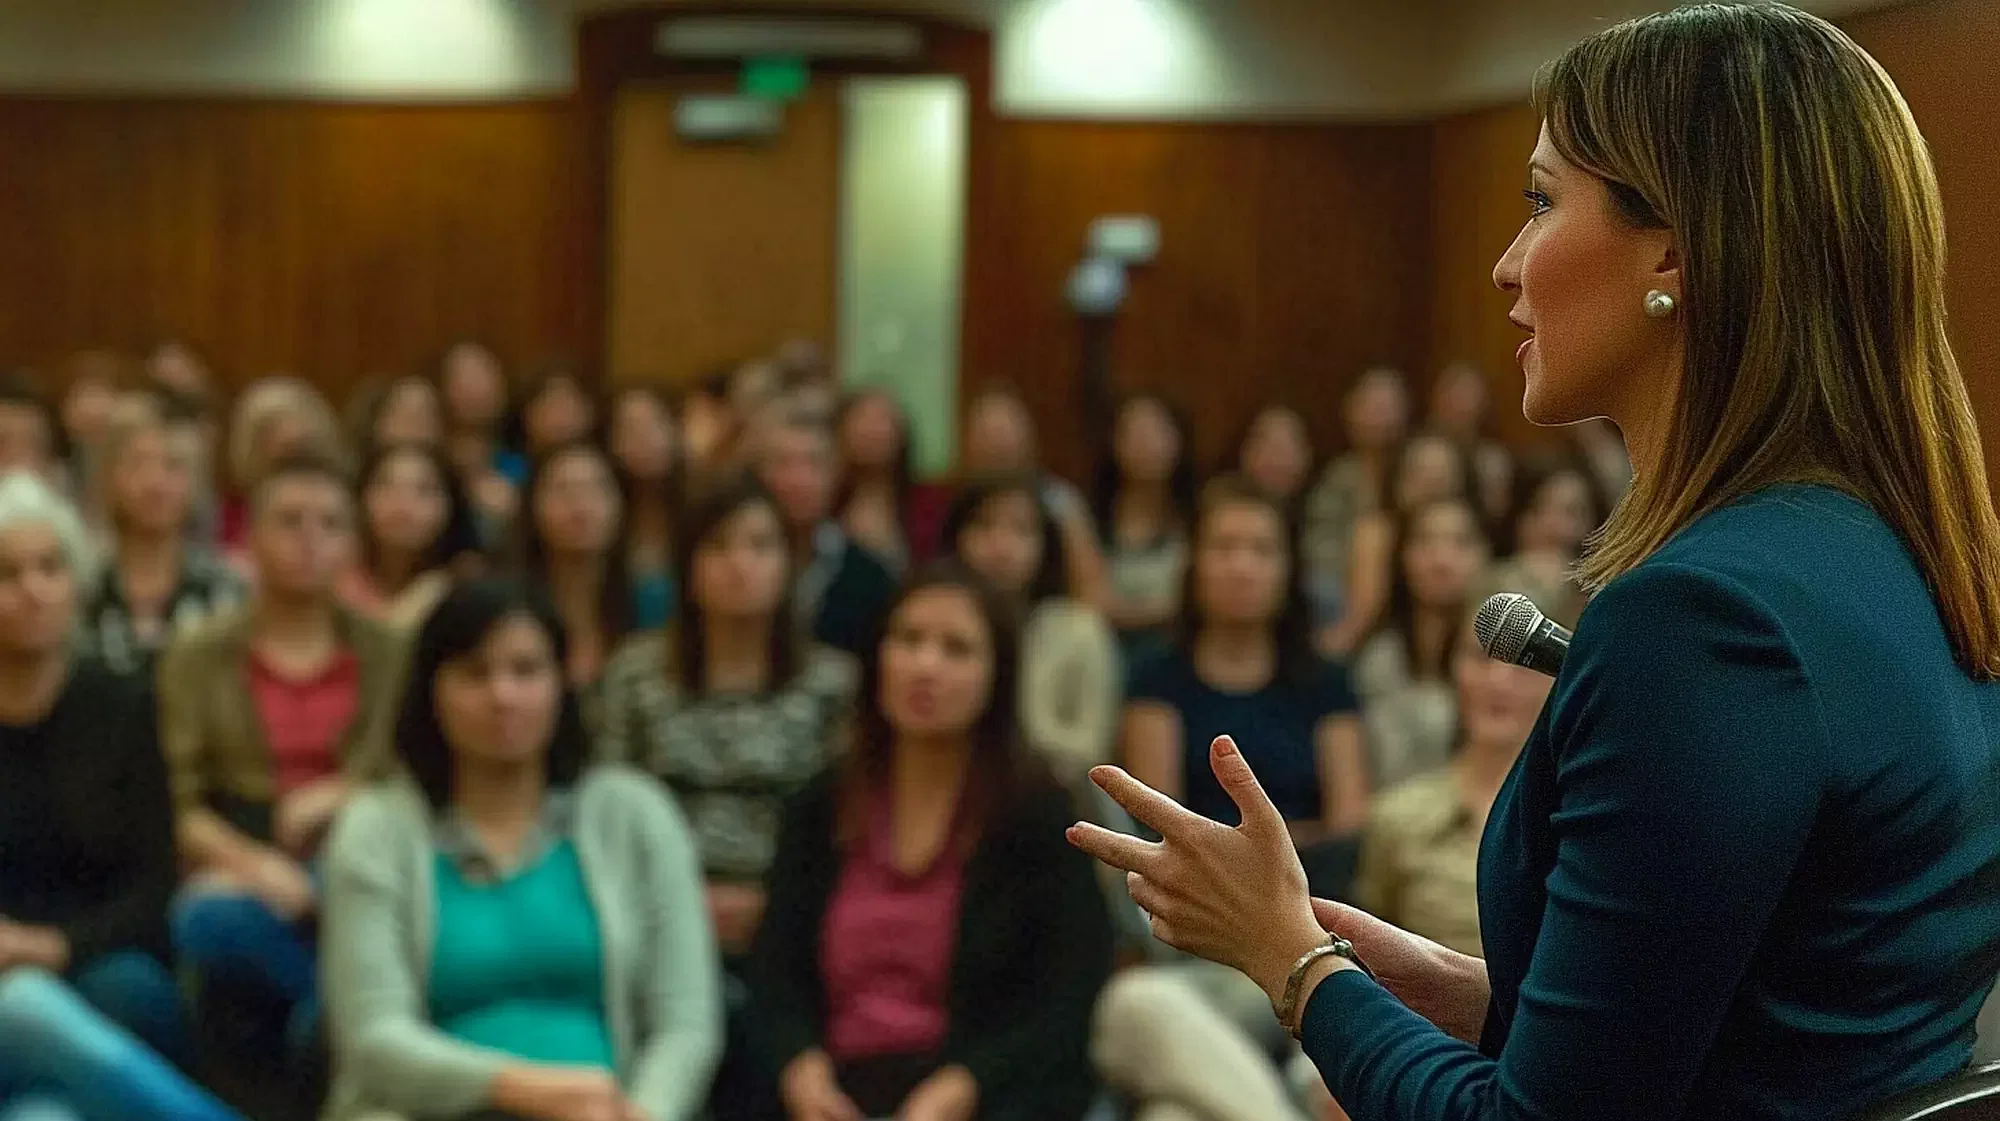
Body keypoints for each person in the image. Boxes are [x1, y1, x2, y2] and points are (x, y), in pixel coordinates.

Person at [1068, 7, 2000, 1120]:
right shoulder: (1894, 557)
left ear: (1672, 247)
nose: (1507, 267)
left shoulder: (1703, 621)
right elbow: (1773, 1030)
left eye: (1542, 201)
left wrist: (1290, 960)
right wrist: (1468, 996)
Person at [321, 579, 722, 1121]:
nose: (503, 696)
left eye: (526, 670)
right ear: (431, 691)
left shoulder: (635, 815)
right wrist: (524, 1089)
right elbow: (372, 1037)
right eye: (474, 673)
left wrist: (644, 1113)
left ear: (562, 683)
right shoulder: (376, 830)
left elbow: (686, 1023)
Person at [750, 564, 1114, 1121]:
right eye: (909, 640)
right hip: (832, 1091)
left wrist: (960, 1090)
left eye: (957, 649)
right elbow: (774, 973)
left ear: (999, 675)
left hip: (985, 1095)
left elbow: (1066, 995)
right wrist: (800, 1068)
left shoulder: (1038, 813)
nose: (926, 666)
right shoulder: (818, 805)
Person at [595, 476, 857, 1121]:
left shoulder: (832, 683)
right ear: (687, 565)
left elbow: (847, 830)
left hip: (792, 920)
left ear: (787, 565)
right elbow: (605, 812)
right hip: (655, 911)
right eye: (718, 546)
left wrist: (774, 906)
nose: (740, 564)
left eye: (760, 546)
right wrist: (684, 902)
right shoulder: (635, 674)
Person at [0, 473, 252, 1121]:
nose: (33, 591)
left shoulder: (123, 704)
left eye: (50, 568)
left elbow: (155, 884)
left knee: (50, 1101)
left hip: (99, 962)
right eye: (8, 574)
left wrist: (51, 946)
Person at [160, 454, 404, 1058]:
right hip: (247, 860)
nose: (311, 541)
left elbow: (416, 774)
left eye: (331, 525)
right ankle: (344, 1024)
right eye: (290, 522)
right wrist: (254, 867)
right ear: (249, 538)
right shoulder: (196, 653)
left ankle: (328, 1026)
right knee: (206, 920)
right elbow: (177, 801)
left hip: (365, 859)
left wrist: (342, 793)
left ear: (354, 542)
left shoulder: (391, 651)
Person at [1353, 578, 1559, 960]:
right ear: (1451, 668)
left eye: (1523, 666)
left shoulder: (1583, 818)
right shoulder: (1397, 815)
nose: (1499, 681)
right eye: (1481, 657)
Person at [941, 472, 1119, 777]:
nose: (1000, 545)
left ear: (1045, 546)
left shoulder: (1078, 629)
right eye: (984, 525)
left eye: (1021, 530)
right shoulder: (934, 623)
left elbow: (1091, 750)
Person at [80, 396, 244, 675]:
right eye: (137, 463)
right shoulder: (82, 589)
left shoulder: (227, 589)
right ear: (108, 477)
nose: (155, 482)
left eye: (174, 466)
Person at [1349, 497, 1491, 789]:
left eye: (1460, 542)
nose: (1441, 559)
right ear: (1402, 556)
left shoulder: (1499, 664)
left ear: (1485, 554)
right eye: (1425, 542)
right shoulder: (1375, 656)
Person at [755, 409, 897, 659]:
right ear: (758, 473)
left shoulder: (871, 576)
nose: (798, 479)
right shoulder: (732, 563)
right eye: (783, 462)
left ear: (836, 474)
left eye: (814, 463)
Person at [516, 441, 637, 714]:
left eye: (597, 488)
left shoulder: (652, 604)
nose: (581, 504)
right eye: (563, 490)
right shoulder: (509, 608)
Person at [1300, 369, 1409, 630]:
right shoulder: (1333, 476)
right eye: (1371, 405)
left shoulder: (1411, 472)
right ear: (1349, 411)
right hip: (1326, 594)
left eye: (1387, 406)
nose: (1379, 416)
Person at [1091, 393, 1197, 660]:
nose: (1146, 444)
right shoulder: (1090, 518)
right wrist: (1165, 609)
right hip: (1105, 649)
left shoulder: (1198, 516)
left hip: (1181, 649)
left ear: (1178, 441)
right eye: (1134, 433)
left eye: (1157, 432)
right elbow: (1094, 605)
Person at [338, 442, 480, 631]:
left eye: (424, 490)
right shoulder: (332, 579)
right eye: (386, 485)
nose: (403, 504)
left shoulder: (468, 586)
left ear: (451, 506)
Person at [606, 385, 682, 630]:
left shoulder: (703, 504)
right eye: (630, 428)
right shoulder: (602, 514)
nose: (645, 437)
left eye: (656, 423)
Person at [1230, 405, 1317, 512]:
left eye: (1285, 451)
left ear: (1307, 455)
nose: (1276, 462)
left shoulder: (1320, 507)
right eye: (1269, 449)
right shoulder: (1224, 507)